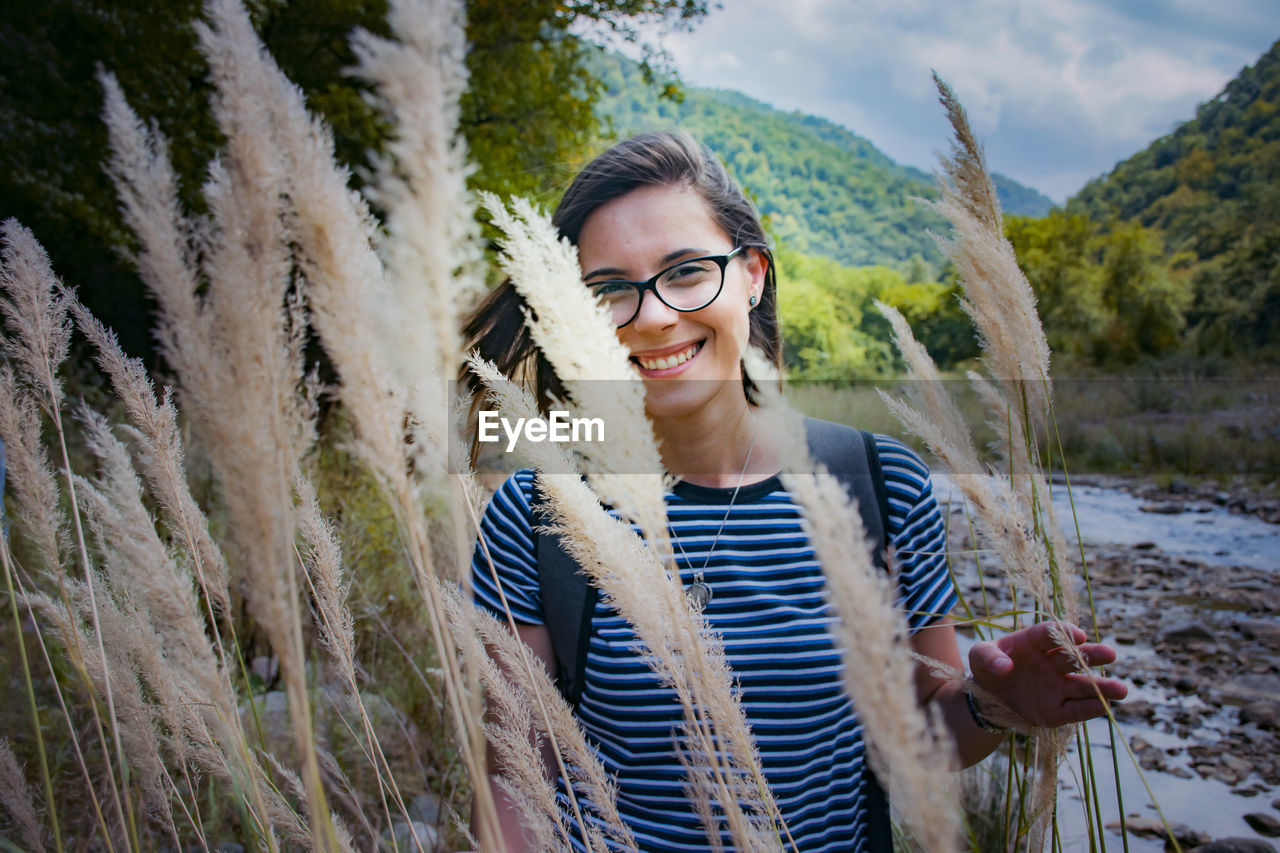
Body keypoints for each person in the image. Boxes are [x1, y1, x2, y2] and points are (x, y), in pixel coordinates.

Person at [463, 130, 1126, 852]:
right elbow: (514, 777)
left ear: (751, 274)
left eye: (686, 272)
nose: (651, 316)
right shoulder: (538, 512)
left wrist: (995, 705)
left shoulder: (876, 484)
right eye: (610, 289)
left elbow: (921, 731)